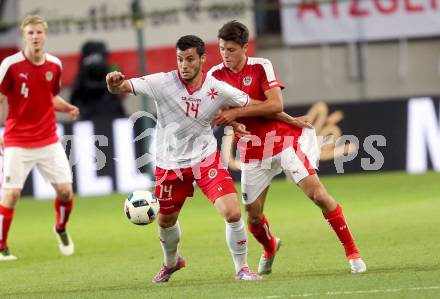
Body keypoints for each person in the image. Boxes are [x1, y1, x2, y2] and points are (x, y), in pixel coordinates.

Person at [106, 35, 271, 283]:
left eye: (190, 59)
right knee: (165, 220)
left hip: (205, 159)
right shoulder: (162, 82)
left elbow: (255, 104)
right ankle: (171, 263)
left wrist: (237, 116)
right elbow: (121, 88)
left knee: (233, 213)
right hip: (169, 163)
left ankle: (242, 269)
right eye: (180, 59)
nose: (184, 65)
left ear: (203, 59)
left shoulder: (217, 89)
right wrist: (113, 82)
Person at [211, 20, 367, 275]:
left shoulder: (261, 67)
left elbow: (275, 105)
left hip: (282, 142)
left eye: (230, 49)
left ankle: (353, 253)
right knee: (253, 217)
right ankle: (270, 247)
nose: (225, 55)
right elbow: (218, 111)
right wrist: (232, 124)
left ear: (244, 48)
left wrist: (238, 112)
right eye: (221, 49)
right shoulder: (215, 76)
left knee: (317, 195)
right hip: (251, 151)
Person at [0, 15, 80, 261]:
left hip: (48, 139)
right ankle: (2, 245)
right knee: (11, 195)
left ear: (45, 35)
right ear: (24, 36)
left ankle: (61, 228)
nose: (35, 37)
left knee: (66, 192)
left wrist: (67, 108)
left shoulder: (54, 65)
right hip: (17, 140)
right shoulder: (10, 65)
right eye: (30, 33)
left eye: (39, 32)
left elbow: (50, 96)